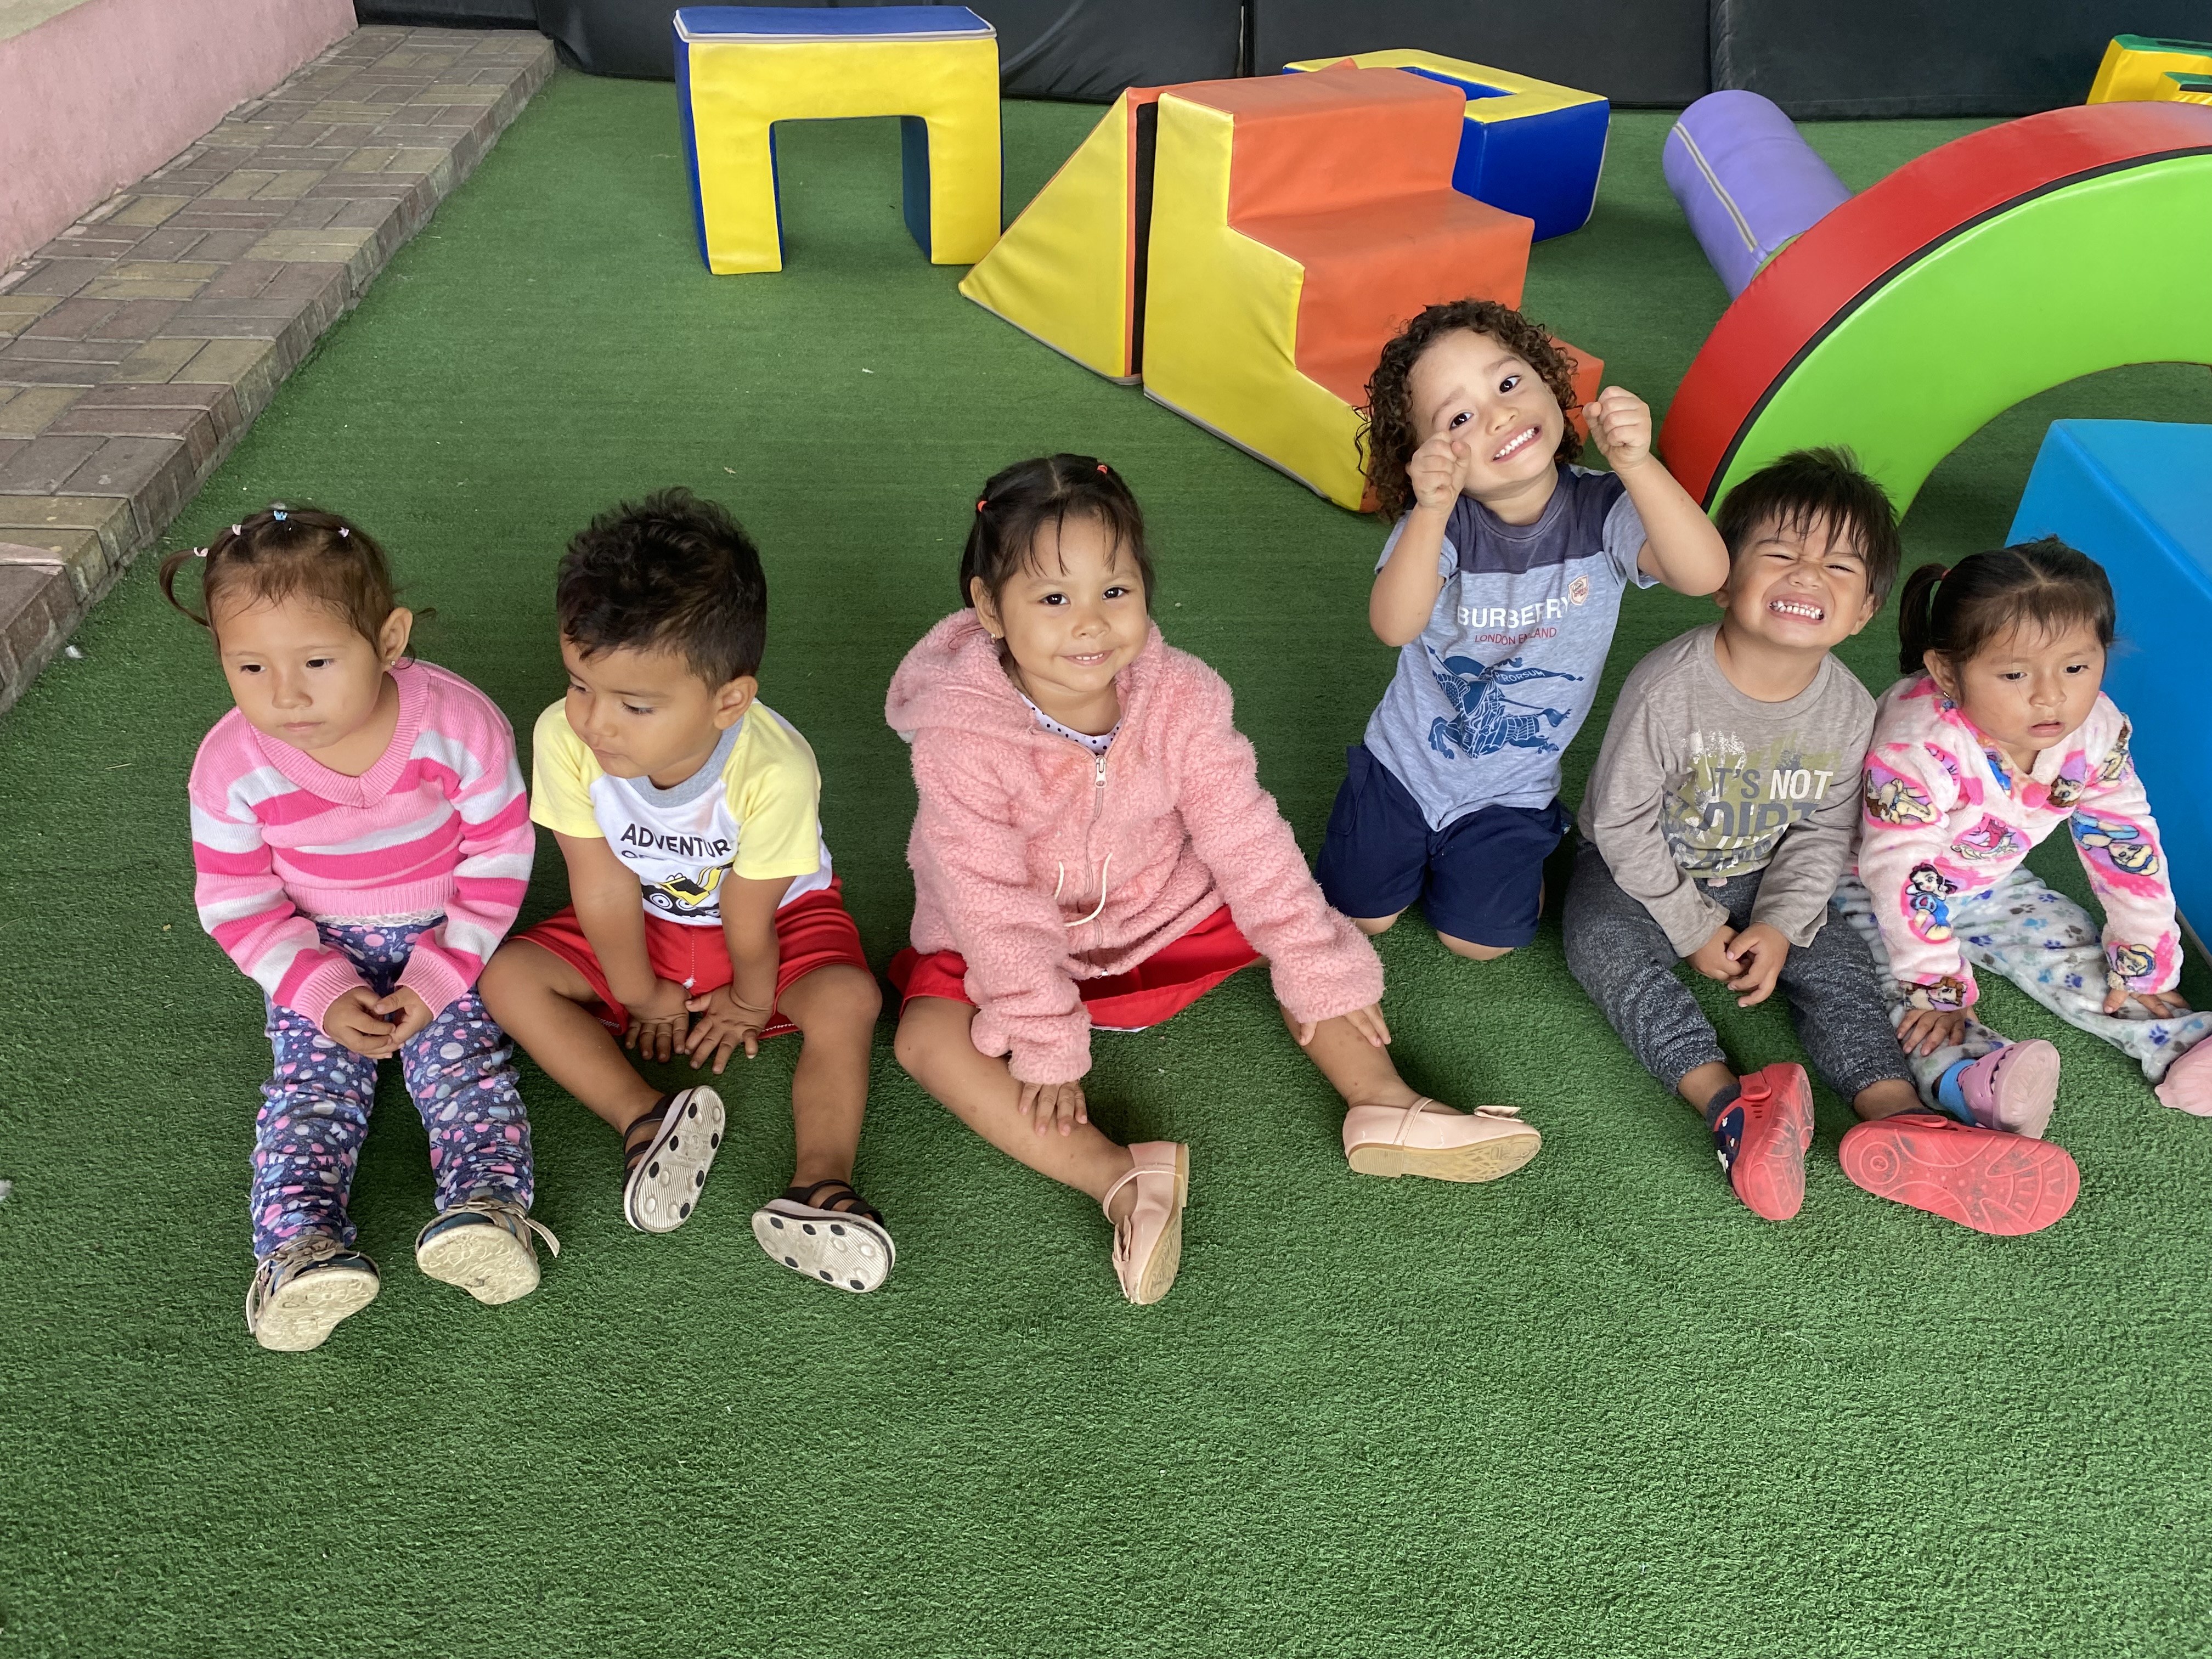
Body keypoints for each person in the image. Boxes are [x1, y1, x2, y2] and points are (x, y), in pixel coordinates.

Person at [885, 455, 1542, 1306]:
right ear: (987, 608)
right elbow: (988, 901)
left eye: (1115, 591)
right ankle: (1120, 1178)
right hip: (1013, 949)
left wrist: (1316, 967)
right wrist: (1044, 1038)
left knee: (1300, 928)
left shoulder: (1180, 696)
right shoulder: (959, 735)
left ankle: (1381, 1100)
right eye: (1053, 599)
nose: (1090, 625)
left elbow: (1246, 837)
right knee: (925, 1040)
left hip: (1165, 910)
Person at [1561, 450, 2063, 1228]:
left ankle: (1896, 1112)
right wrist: (1692, 927)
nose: (1806, 576)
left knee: (1839, 961)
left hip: (1762, 870)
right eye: (1779, 553)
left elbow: (1824, 827)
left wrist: (1778, 923)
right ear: (1723, 578)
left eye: (1838, 565)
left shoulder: (1851, 710)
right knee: (1598, 940)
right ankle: (1731, 1106)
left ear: (1864, 611)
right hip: (1642, 870)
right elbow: (1622, 824)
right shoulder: (1667, 687)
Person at [477, 490, 890, 1292]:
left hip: (781, 919)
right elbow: (599, 882)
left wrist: (752, 998)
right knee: (508, 978)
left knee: (850, 1001)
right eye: (580, 684)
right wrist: (638, 991)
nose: (597, 723)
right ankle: (644, 1116)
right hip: (643, 915)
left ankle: (821, 1183)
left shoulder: (776, 768)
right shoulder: (563, 736)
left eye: (636, 706)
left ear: (729, 700)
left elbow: (749, 908)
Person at [170, 505, 548, 1352]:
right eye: (250, 666)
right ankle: (298, 1252)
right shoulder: (231, 766)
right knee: (311, 1091)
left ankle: (490, 1214)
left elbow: (498, 854)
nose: (286, 694)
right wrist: (321, 991)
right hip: (316, 946)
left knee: (465, 1073)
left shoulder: (458, 724)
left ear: (388, 640)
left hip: (446, 934)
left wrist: (440, 976)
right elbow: (238, 900)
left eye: (316, 661)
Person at [1316, 297, 1731, 960]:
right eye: (1458, 418)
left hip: (1511, 790)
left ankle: (1515, 865)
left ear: (1549, 381)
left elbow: (1705, 573)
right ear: (1427, 456)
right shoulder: (1442, 523)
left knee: (1477, 944)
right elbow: (1394, 625)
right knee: (1360, 917)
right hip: (1404, 768)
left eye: (1509, 383)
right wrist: (1430, 510)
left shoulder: (1604, 509)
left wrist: (1637, 464)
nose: (1498, 415)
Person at [1837, 538, 2212, 1221]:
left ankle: (2179, 1040)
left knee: (2070, 940)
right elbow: (1901, 872)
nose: (2051, 695)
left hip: (1991, 882)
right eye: (2014, 674)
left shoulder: (2096, 730)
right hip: (1869, 889)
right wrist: (1937, 984)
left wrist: (2145, 956)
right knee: (1907, 1002)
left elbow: (2124, 837)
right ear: (1947, 673)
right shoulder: (1917, 744)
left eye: (2077, 666)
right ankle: (1973, 1080)